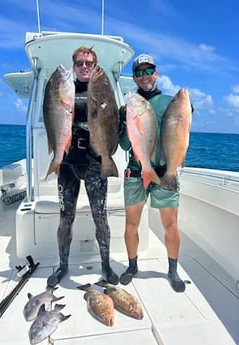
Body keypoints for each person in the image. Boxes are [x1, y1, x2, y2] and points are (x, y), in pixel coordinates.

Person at [47, 46, 119, 287]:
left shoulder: (101, 90)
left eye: (89, 63)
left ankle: (106, 266)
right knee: (66, 217)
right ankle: (63, 266)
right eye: (80, 63)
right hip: (67, 162)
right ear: (74, 65)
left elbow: (113, 122)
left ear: (95, 65)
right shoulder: (65, 89)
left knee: (101, 217)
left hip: (94, 161)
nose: (84, 67)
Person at [119, 54, 190, 292]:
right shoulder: (127, 107)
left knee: (170, 224)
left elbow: (182, 130)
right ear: (134, 77)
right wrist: (123, 123)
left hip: (164, 171)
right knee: (131, 223)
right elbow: (124, 145)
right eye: (138, 73)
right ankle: (132, 266)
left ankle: (172, 270)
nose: (144, 76)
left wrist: (186, 109)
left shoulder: (171, 102)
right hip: (137, 171)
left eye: (148, 71)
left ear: (156, 73)